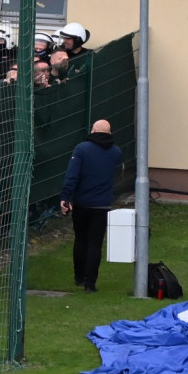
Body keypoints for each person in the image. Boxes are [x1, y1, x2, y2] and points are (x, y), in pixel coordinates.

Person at [60, 119, 122, 293]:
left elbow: (72, 175)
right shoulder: (116, 152)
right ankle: (90, 283)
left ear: (93, 131)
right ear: (110, 133)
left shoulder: (82, 149)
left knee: (80, 240)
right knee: (95, 244)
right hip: (102, 204)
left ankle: (79, 276)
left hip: (82, 203)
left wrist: (65, 197)